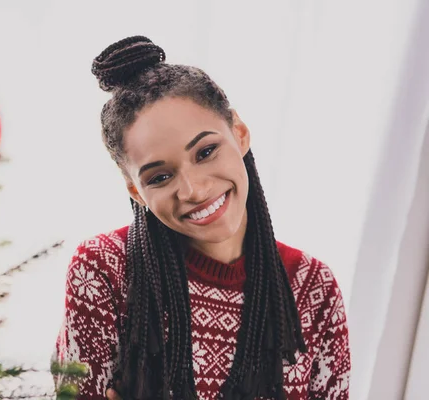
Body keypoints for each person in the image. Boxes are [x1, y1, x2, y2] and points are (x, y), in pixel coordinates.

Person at [53, 36, 350, 400]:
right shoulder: (103, 268)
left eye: (206, 151)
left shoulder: (313, 288)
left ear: (239, 134)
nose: (192, 190)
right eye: (160, 177)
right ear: (135, 191)